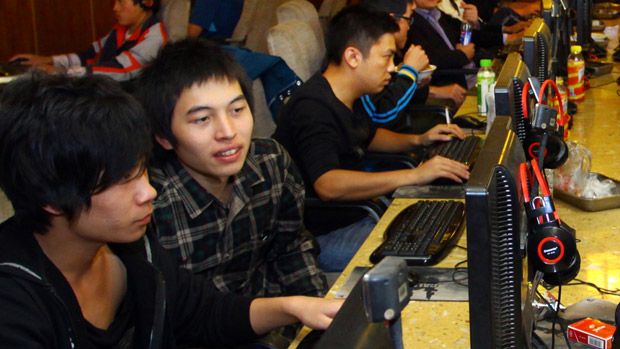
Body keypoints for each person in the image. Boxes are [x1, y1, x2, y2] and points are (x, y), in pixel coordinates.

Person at [0, 73, 341, 348]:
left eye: (142, 171)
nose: (148, 192)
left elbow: (208, 314)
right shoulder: (13, 303)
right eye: (123, 181)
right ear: (53, 199)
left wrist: (294, 306)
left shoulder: (135, 251)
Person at [273, 6, 470, 272]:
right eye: (387, 57)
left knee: (451, 234)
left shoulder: (346, 95)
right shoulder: (312, 108)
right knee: (443, 260)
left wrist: (419, 139)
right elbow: (327, 184)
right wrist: (416, 175)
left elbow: (368, 136)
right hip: (319, 238)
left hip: (359, 215)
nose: (392, 69)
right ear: (353, 56)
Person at [135, 39, 327, 299]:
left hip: (275, 324)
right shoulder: (150, 205)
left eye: (237, 110)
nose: (228, 132)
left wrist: (317, 325)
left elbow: (291, 248)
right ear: (164, 137)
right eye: (202, 119)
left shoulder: (271, 163)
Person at [360, 0, 467, 131]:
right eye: (409, 18)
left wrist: (421, 140)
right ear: (392, 20)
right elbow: (382, 115)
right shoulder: (366, 58)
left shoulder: (383, 51)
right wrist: (409, 70)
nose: (410, 26)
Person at [10, 0, 167, 81]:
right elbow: (88, 55)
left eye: (121, 2)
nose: (115, 8)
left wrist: (63, 72)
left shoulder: (155, 36)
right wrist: (46, 60)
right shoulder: (119, 30)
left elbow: (122, 70)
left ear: (146, 3)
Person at [407, 0, 503, 89]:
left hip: (473, 71)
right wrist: (462, 55)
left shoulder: (437, 13)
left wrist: (472, 23)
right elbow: (429, 59)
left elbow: (467, 34)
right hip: (455, 83)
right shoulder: (410, 21)